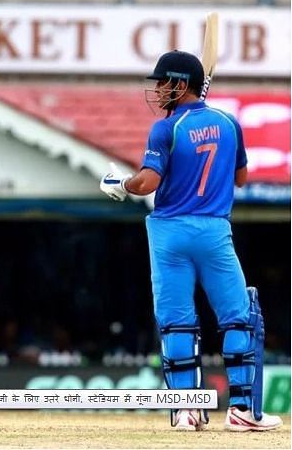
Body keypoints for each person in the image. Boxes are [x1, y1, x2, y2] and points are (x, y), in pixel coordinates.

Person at [99, 50, 282, 432]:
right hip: (214, 231)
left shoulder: (166, 128)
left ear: (181, 85)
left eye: (164, 82)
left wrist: (121, 185)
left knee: (177, 323)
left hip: (169, 234)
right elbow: (242, 178)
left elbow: (148, 182)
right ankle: (242, 411)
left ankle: (186, 411)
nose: (159, 90)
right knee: (236, 319)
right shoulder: (229, 123)